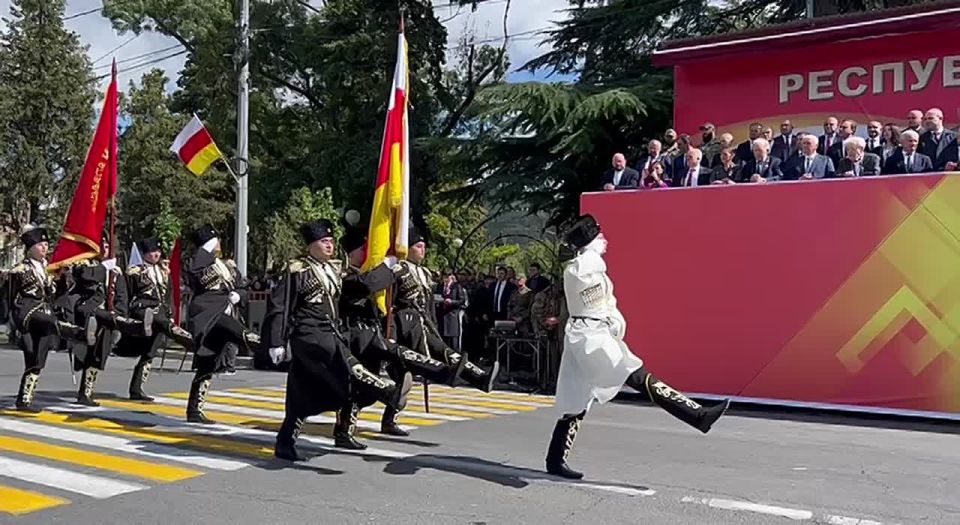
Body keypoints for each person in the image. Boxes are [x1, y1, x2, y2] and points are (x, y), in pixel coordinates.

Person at [545, 215, 729, 479]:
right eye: (599, 236)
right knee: (636, 374)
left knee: (576, 401)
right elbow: (585, 272)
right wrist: (588, 248)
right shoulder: (579, 268)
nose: (604, 240)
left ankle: (555, 461)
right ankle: (697, 415)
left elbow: (606, 300)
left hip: (593, 336)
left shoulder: (595, 268)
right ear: (589, 243)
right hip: (588, 339)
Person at [261, 220, 413, 460]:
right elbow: (280, 306)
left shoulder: (333, 270)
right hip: (309, 333)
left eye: (331, 241)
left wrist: (387, 268)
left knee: (300, 391)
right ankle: (388, 392)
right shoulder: (297, 270)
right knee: (347, 361)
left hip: (330, 331)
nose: (330, 245)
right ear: (312, 245)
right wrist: (276, 342)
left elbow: (360, 286)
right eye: (324, 241)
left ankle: (285, 443)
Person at [335, 230, 464, 448]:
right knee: (361, 386)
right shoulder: (346, 275)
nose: (367, 252)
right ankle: (344, 430)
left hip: (373, 335)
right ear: (352, 253)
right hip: (354, 336)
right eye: (362, 249)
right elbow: (369, 285)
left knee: (382, 379)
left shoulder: (370, 273)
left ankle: (446, 373)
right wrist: (389, 267)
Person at [389, 226, 500, 433]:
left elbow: (429, 305)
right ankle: (473, 377)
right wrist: (392, 334)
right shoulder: (399, 271)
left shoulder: (424, 273)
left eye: (424, 246)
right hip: (407, 326)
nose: (423, 250)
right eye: (418, 246)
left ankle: (479, 378)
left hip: (425, 325)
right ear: (408, 248)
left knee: (411, 374)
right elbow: (390, 305)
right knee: (420, 366)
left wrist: (434, 325)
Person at [184, 225, 261, 424]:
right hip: (208, 316)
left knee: (207, 364)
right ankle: (261, 346)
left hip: (226, 311)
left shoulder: (225, 265)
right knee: (239, 331)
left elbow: (243, 285)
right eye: (215, 241)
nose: (218, 244)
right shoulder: (198, 261)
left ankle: (194, 410)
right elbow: (194, 276)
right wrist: (205, 249)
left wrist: (239, 294)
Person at [10, 226, 87, 412]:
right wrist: (10, 323)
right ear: (30, 248)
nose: (45, 248)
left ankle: (24, 399)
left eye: (46, 244)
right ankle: (77, 333)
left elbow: (56, 295)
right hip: (27, 313)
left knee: (36, 358)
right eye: (40, 244)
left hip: (45, 313)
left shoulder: (49, 269)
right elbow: (10, 297)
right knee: (48, 326)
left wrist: (63, 278)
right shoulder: (19, 270)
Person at [119, 237, 195, 401]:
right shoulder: (135, 271)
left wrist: (169, 312)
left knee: (149, 353)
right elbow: (127, 293)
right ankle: (184, 337)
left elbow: (167, 295)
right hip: (141, 307)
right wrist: (124, 315)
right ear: (145, 253)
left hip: (160, 311)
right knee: (156, 321)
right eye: (153, 251)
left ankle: (136, 389)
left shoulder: (163, 272)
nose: (156, 254)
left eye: (158, 251)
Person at [68, 252, 148, 406]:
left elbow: (121, 296)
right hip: (88, 310)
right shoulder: (85, 264)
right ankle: (130, 325)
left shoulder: (116, 271)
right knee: (90, 349)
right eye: (102, 245)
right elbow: (84, 277)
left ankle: (86, 393)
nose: (105, 249)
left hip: (107, 316)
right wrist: (104, 268)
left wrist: (119, 312)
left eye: (107, 245)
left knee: (98, 355)